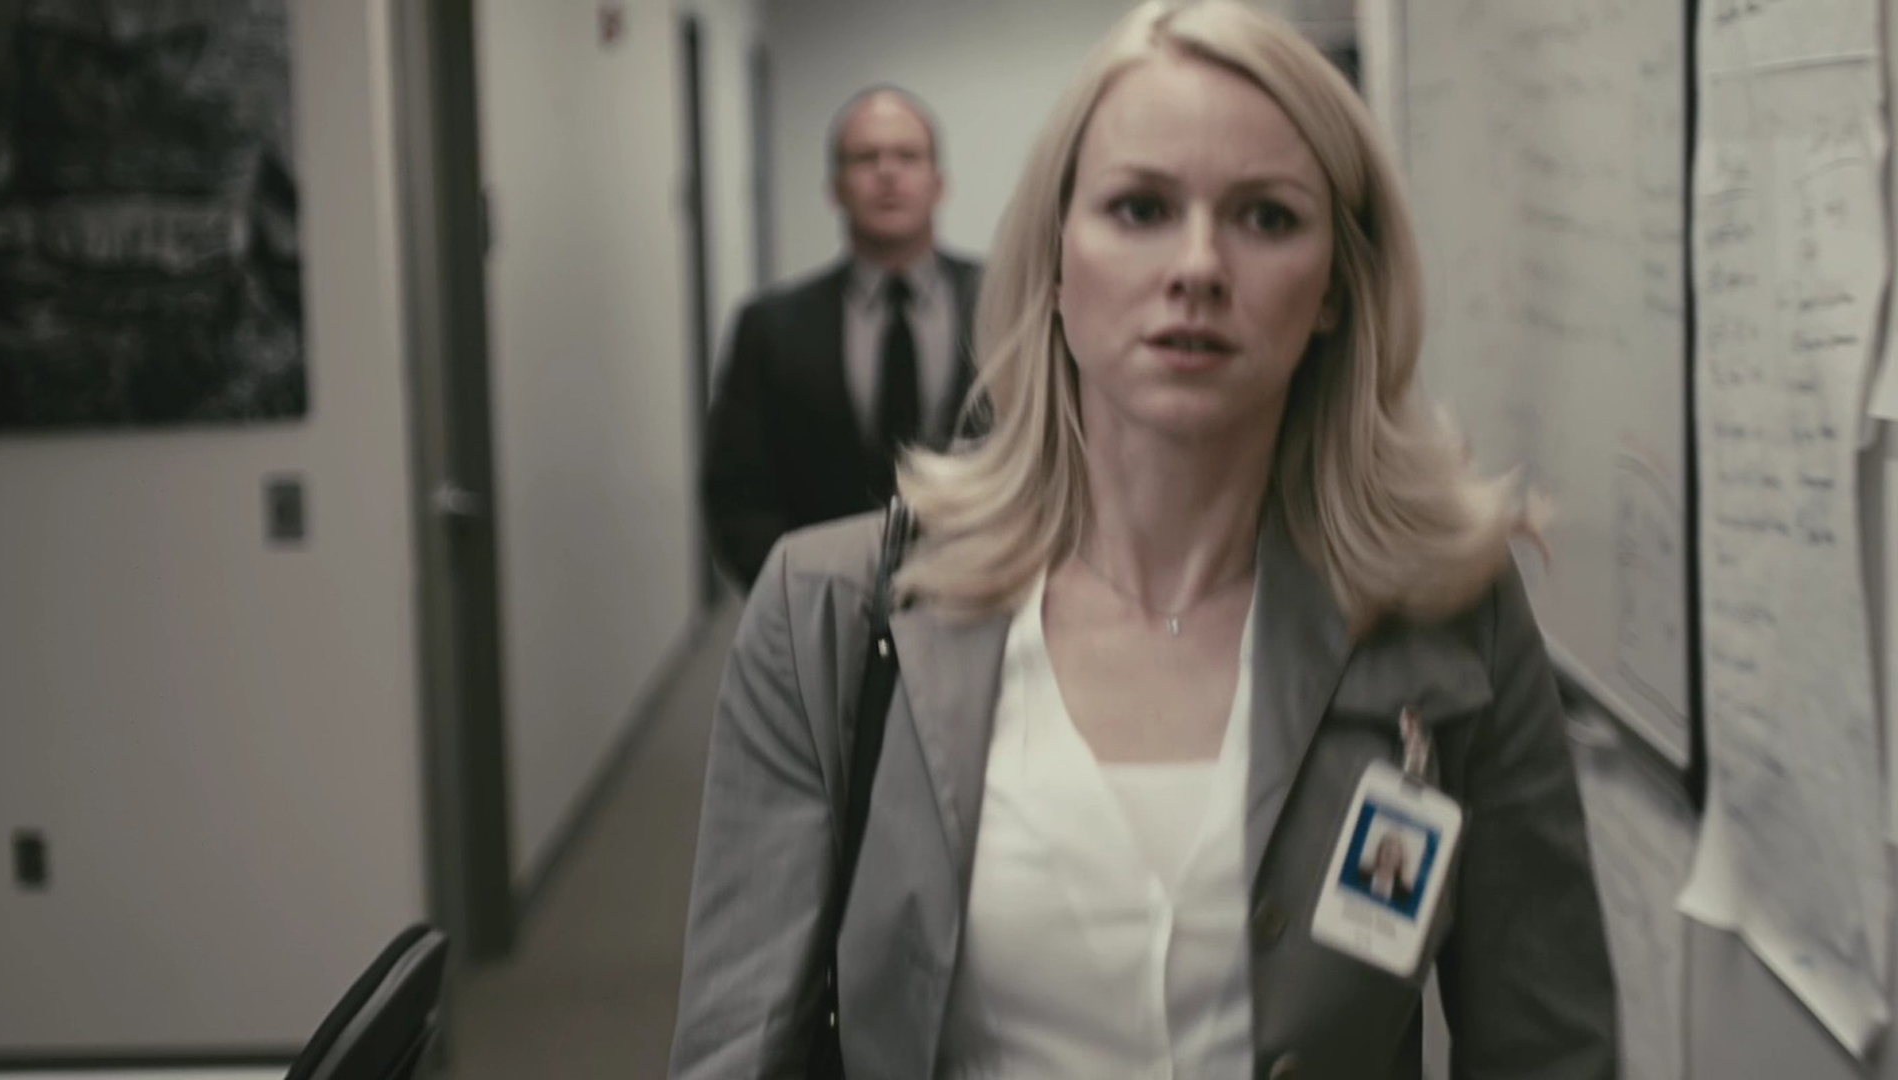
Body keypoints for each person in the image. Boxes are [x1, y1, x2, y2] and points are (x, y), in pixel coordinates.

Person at [671, 1, 1616, 1077]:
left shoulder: (1446, 614)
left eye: (1267, 217)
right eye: (1141, 208)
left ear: (1335, 290)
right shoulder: (830, 613)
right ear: (1055, 263)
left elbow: (1550, 1048)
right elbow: (738, 1052)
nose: (1199, 266)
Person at [701, 85, 984, 590]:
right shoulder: (770, 328)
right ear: (834, 188)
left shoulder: (1010, 306)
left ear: (939, 183)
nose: (887, 173)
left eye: (907, 156)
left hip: (987, 598)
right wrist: (797, 596)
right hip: (819, 604)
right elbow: (736, 494)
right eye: (865, 158)